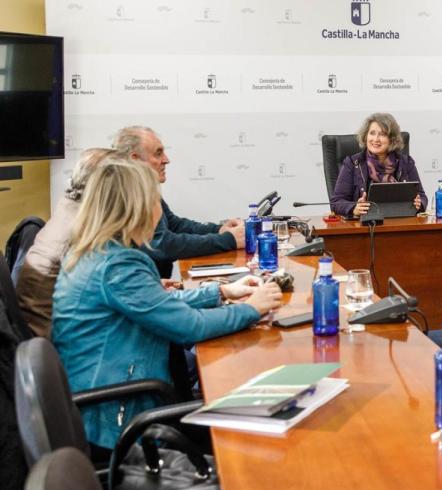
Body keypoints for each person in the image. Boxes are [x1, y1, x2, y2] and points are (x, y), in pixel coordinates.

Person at [51, 158, 283, 452]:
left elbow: (156, 305)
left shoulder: (96, 252)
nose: (159, 210)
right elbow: (189, 327)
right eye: (153, 199)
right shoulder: (118, 265)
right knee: (253, 429)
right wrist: (253, 309)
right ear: (134, 206)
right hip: (121, 424)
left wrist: (221, 291)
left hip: (103, 407)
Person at [112, 126, 245, 278]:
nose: (166, 160)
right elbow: (163, 245)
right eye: (158, 153)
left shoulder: (144, 189)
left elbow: (175, 225)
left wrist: (219, 230)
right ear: (134, 159)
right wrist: (228, 240)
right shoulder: (128, 195)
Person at [16, 148, 119, 337]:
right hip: (63, 343)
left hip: (50, 332)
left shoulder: (69, 209)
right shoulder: (83, 231)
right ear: (107, 188)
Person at [329, 112, 427, 219]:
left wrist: (419, 203)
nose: (375, 139)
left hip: (400, 223)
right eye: (372, 133)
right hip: (365, 227)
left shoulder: (406, 162)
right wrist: (354, 208)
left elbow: (422, 196)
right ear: (366, 136)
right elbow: (337, 202)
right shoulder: (353, 163)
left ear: (392, 139)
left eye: (382, 134)